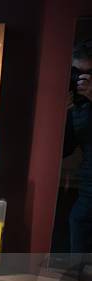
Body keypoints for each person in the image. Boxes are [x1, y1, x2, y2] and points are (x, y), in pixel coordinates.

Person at [65, 39, 92, 253]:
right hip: (87, 184)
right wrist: (63, 113)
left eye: (89, 74)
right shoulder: (76, 105)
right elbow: (64, 149)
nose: (82, 79)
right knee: (78, 222)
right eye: (77, 72)